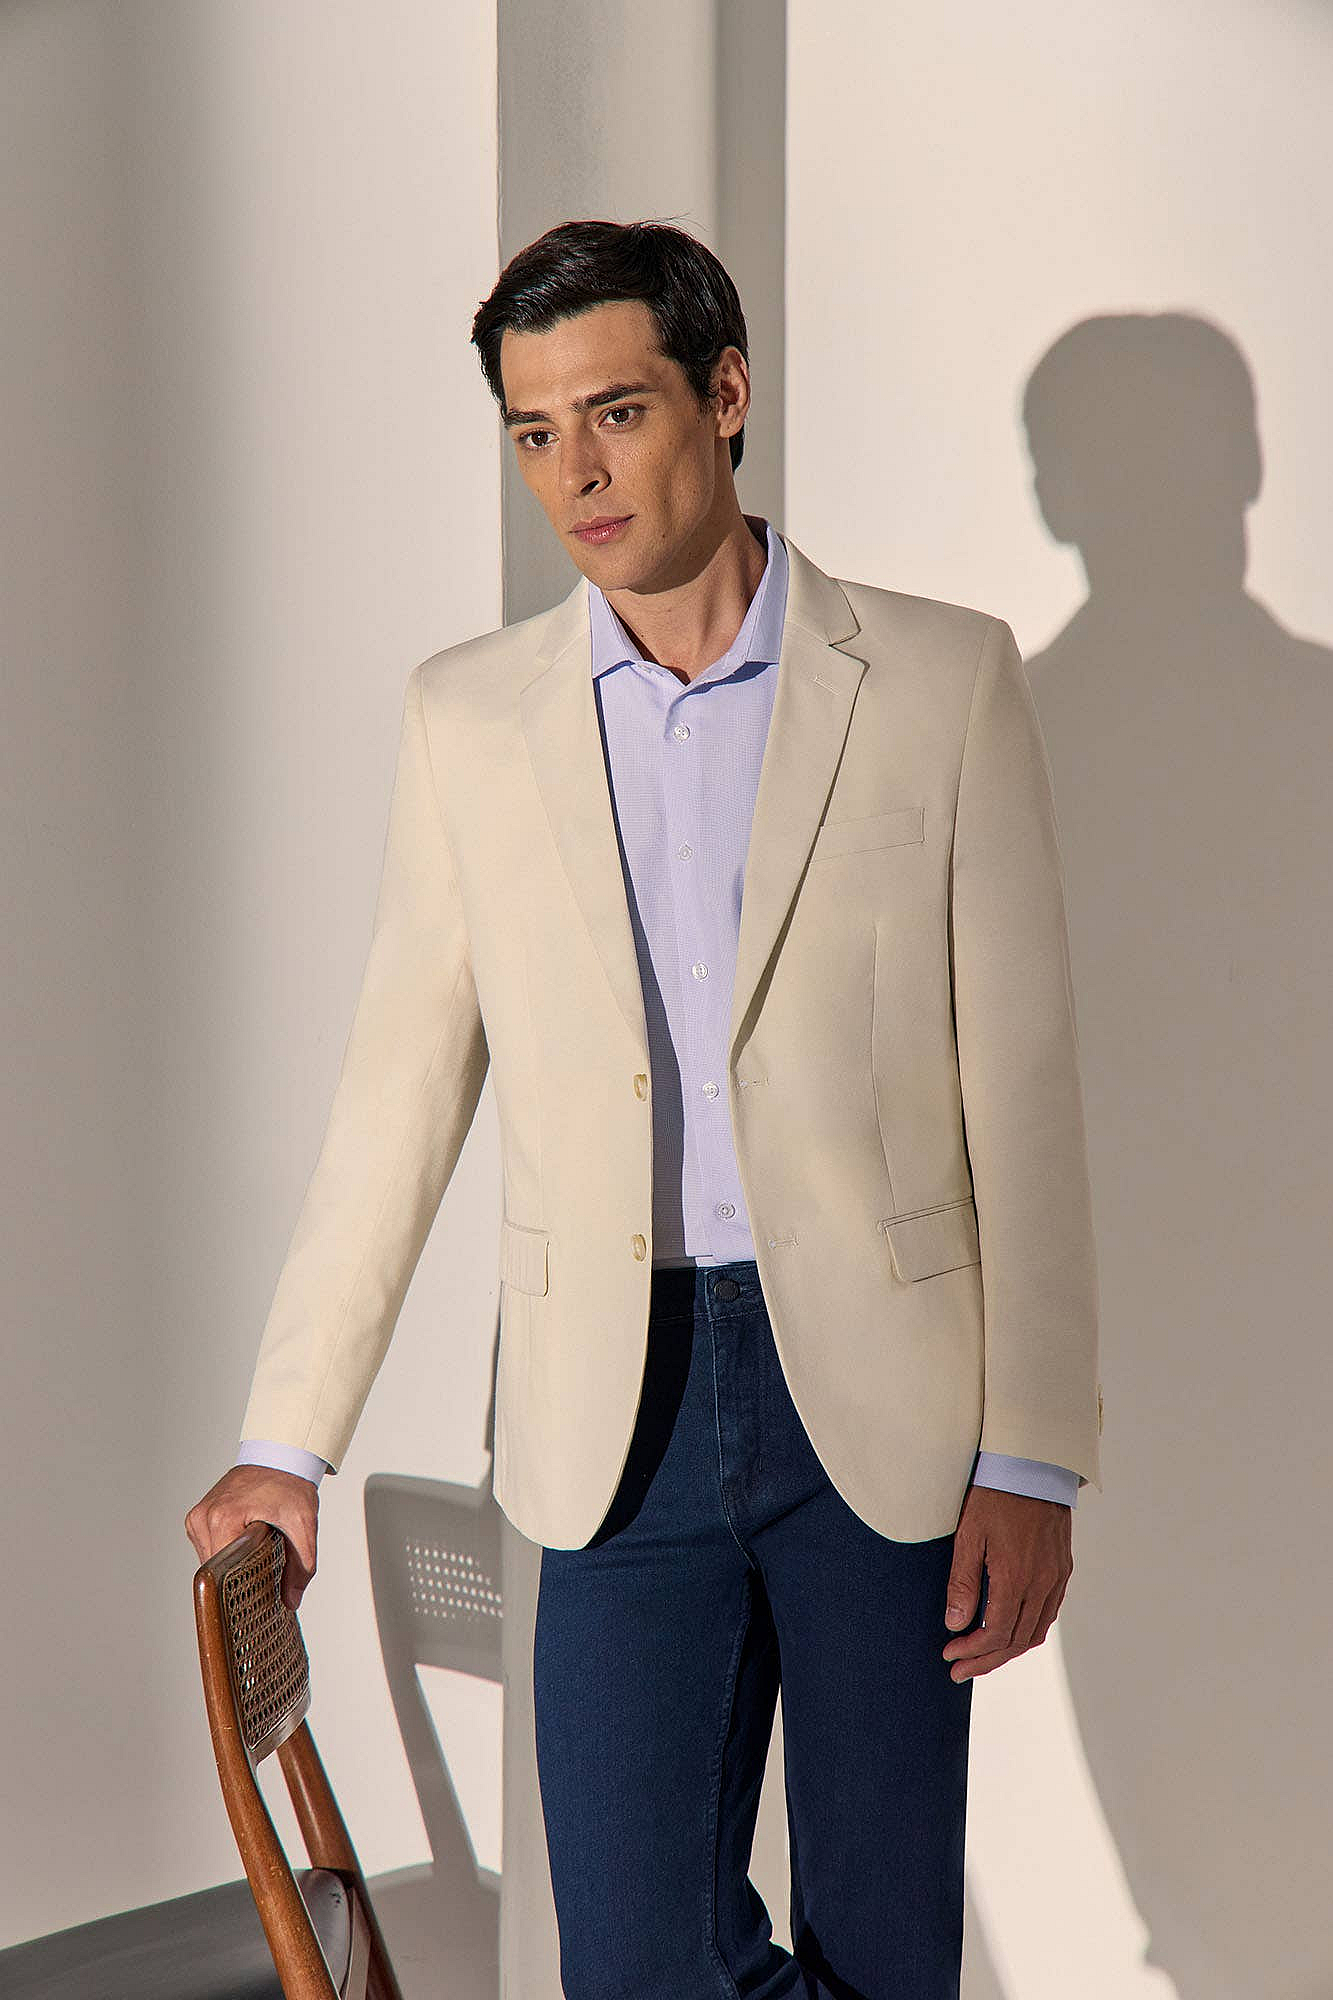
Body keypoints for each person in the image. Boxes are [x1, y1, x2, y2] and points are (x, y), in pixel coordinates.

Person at [186, 219, 1103, 1999]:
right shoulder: (471, 718)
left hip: (890, 1409)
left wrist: (1031, 1453)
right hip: (612, 1412)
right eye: (534, 433)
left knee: (885, 1948)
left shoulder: (937, 680)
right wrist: (288, 1436)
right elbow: (398, 1090)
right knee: (631, 1955)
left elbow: (1023, 1087)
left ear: (724, 393)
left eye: (614, 413)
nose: (575, 475)